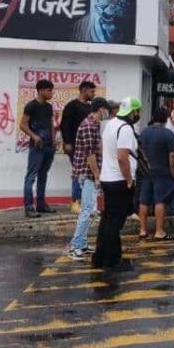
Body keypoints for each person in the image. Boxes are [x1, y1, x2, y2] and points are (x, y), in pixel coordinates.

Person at [93, 97, 142, 269]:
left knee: (107, 220)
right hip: (119, 180)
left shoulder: (111, 124)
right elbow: (122, 157)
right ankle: (113, 260)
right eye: (138, 111)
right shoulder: (126, 128)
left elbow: (103, 149)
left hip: (107, 178)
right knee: (115, 222)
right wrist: (129, 179)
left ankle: (100, 256)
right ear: (133, 111)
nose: (139, 115)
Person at [68, 97, 109, 261]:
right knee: (87, 210)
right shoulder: (88, 126)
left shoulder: (95, 125)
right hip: (87, 174)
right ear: (100, 109)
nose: (106, 113)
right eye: (105, 110)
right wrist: (97, 176)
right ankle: (75, 246)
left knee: (90, 211)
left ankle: (82, 244)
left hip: (90, 173)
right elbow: (89, 154)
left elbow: (98, 147)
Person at [20, 79, 58, 218]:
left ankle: (41, 205)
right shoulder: (31, 106)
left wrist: (54, 141)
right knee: (31, 176)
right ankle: (29, 207)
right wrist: (35, 137)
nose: (51, 93)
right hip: (37, 147)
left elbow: (51, 124)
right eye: (49, 90)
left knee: (43, 175)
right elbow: (23, 125)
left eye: (52, 90)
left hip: (49, 147)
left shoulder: (48, 107)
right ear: (41, 90)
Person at [138, 107, 174, 240]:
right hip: (162, 170)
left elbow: (139, 151)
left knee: (144, 201)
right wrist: (172, 171)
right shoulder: (168, 134)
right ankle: (159, 231)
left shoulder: (143, 132)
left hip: (146, 171)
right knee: (160, 200)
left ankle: (143, 230)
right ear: (166, 119)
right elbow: (172, 156)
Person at [61, 81, 97, 214]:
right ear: (84, 90)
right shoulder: (72, 106)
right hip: (75, 147)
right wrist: (67, 142)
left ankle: (84, 201)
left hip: (88, 148)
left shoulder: (90, 107)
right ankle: (75, 201)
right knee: (78, 173)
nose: (93, 94)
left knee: (87, 175)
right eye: (92, 92)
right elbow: (65, 125)